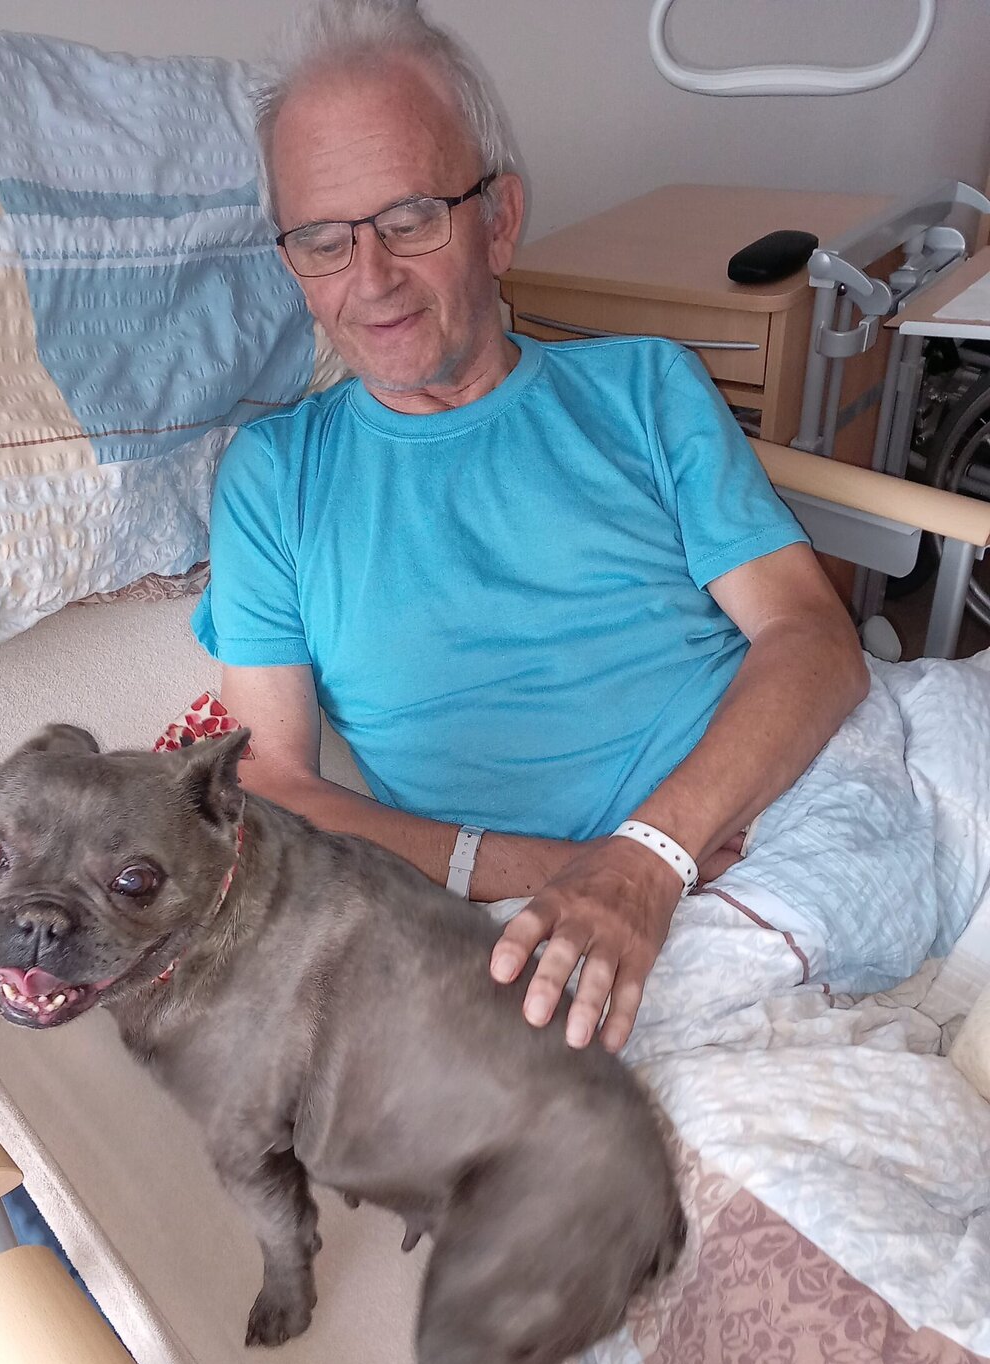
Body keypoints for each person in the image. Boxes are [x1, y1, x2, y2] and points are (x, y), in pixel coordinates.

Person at [193, 0, 869, 1053]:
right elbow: (272, 785)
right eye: (323, 241)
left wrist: (649, 857)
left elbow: (816, 641)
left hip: (796, 799)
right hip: (553, 917)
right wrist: (588, 873)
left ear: (499, 221)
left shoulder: (647, 390)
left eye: (410, 218)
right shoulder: (273, 480)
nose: (370, 279)